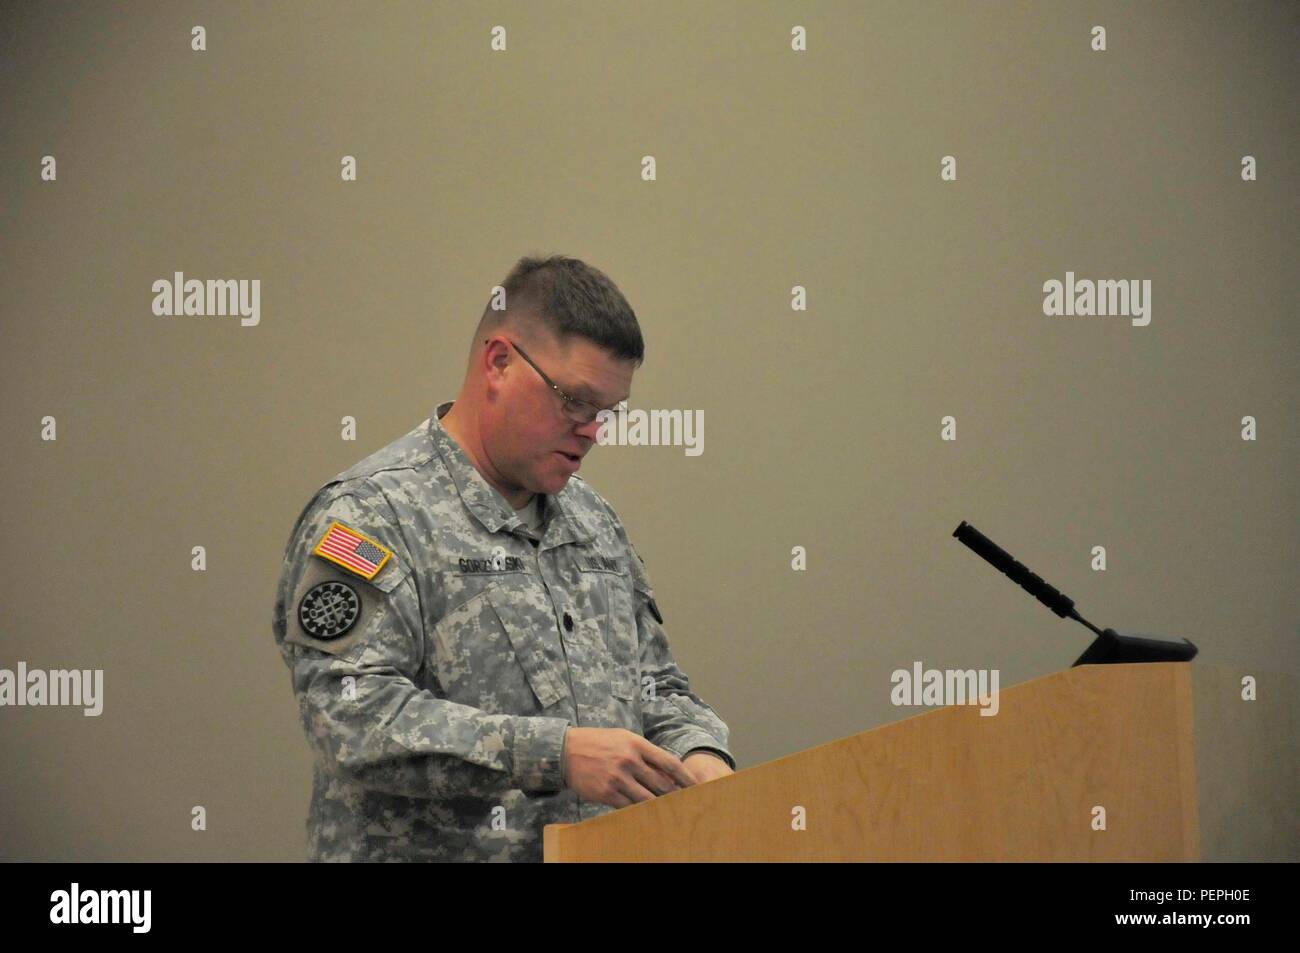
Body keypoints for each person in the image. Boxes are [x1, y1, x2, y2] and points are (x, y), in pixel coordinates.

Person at [271, 254, 735, 862]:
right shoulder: (370, 515)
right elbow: (350, 718)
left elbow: (654, 686)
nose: (592, 431)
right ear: (499, 361)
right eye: (576, 401)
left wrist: (701, 754)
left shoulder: (593, 521)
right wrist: (556, 753)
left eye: (606, 414)